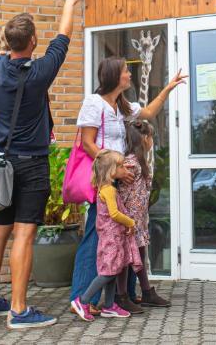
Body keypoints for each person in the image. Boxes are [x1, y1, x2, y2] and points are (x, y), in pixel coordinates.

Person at [0, 0, 81, 330]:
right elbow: (64, 35)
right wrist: (70, 0)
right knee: (24, 235)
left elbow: (9, 48)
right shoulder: (39, 74)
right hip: (31, 164)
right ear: (33, 42)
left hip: (0, 164)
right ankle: (19, 310)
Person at [69, 56, 187, 311]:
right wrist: (114, 170)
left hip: (121, 179)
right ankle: (80, 297)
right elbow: (88, 143)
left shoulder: (122, 105)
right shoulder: (94, 103)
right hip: (103, 182)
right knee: (95, 238)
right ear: (114, 76)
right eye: (125, 71)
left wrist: (168, 88)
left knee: (124, 235)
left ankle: (124, 296)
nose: (129, 74)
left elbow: (148, 113)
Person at [70, 150, 142, 321]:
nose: (125, 168)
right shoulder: (109, 190)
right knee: (108, 273)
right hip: (111, 238)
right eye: (121, 166)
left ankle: (109, 306)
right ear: (111, 170)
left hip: (114, 236)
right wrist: (131, 222)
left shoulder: (107, 188)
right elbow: (114, 214)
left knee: (114, 270)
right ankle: (83, 300)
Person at [115, 120, 169, 310]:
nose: (152, 140)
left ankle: (146, 292)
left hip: (138, 220)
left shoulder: (140, 161)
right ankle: (121, 296)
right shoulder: (130, 163)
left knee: (139, 253)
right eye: (151, 136)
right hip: (128, 221)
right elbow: (117, 184)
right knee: (125, 258)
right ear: (144, 139)